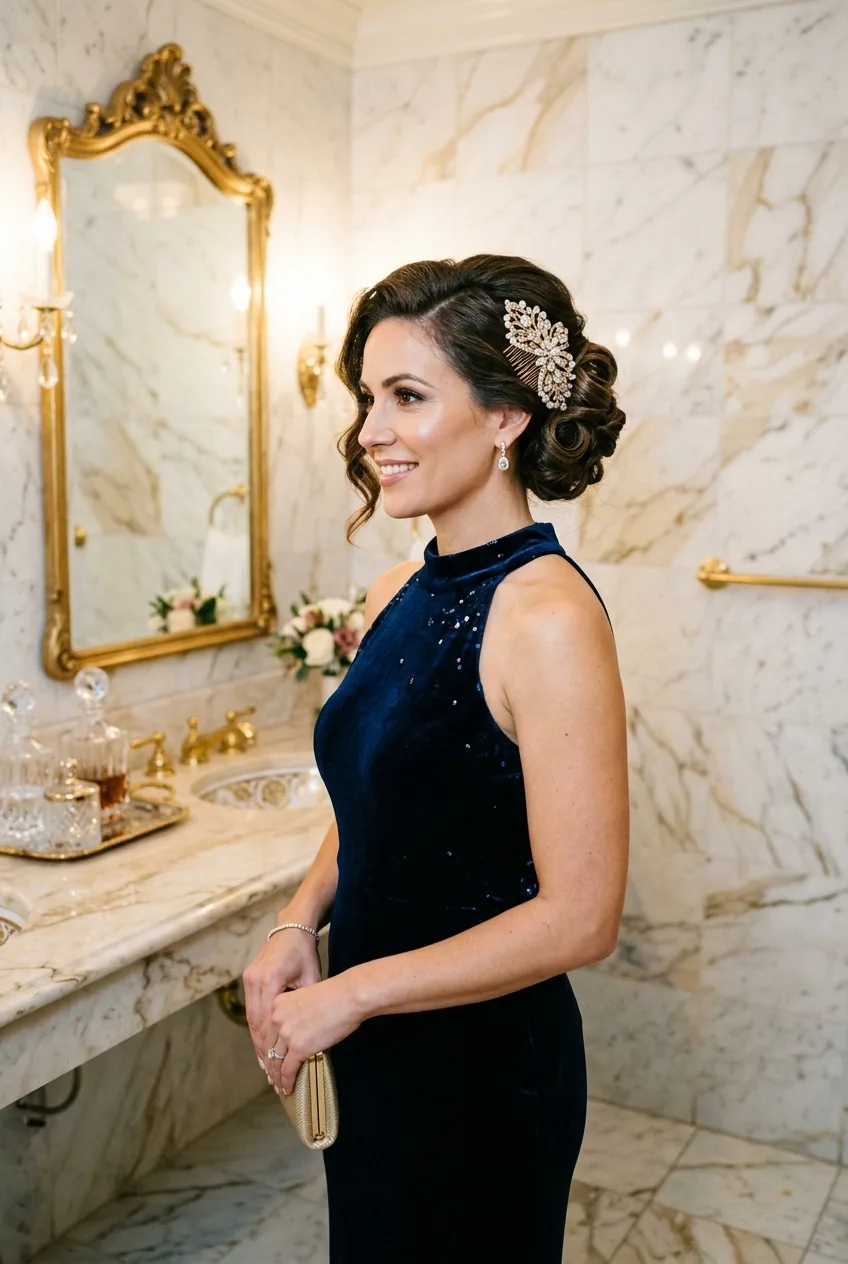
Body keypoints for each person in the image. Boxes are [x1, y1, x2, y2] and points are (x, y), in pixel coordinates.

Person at [243, 253, 630, 1263]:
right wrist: (299, 920)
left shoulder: (544, 617)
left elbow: (580, 917)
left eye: (406, 396)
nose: (370, 430)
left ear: (504, 417)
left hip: (484, 1070)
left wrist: (352, 991)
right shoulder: (391, 592)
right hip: (375, 1048)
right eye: (368, 396)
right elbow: (377, 799)